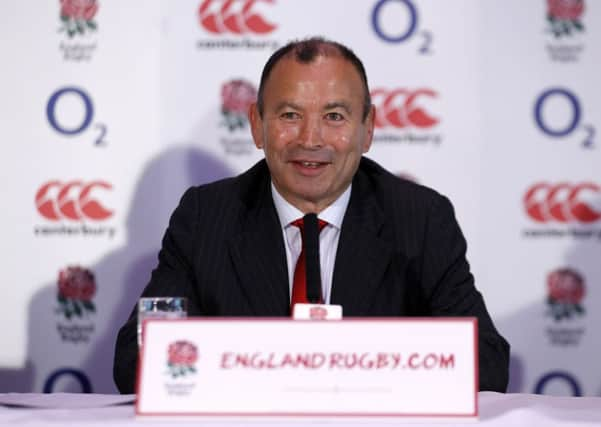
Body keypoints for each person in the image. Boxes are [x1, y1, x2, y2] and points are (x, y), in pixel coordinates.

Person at [113, 37, 509, 394]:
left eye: (334, 117)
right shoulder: (206, 217)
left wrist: (349, 374)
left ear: (367, 129)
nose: (310, 138)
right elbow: (139, 357)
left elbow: (486, 363)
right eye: (289, 115)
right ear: (256, 125)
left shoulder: (421, 219)